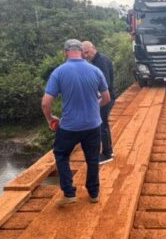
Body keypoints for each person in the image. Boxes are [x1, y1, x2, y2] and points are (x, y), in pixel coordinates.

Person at [42, 39, 111, 207]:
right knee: (92, 159)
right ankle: (93, 193)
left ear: (65, 52)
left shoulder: (59, 72)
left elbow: (46, 103)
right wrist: (94, 108)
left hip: (69, 127)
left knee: (61, 155)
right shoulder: (95, 70)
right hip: (93, 125)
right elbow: (107, 98)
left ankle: (69, 193)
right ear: (82, 52)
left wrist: (50, 118)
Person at [81, 40, 115, 164]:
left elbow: (106, 83)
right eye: (83, 53)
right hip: (105, 97)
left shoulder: (100, 62)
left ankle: (107, 153)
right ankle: (108, 151)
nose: (86, 55)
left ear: (93, 48)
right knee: (103, 124)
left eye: (87, 52)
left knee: (102, 125)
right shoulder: (99, 60)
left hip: (105, 98)